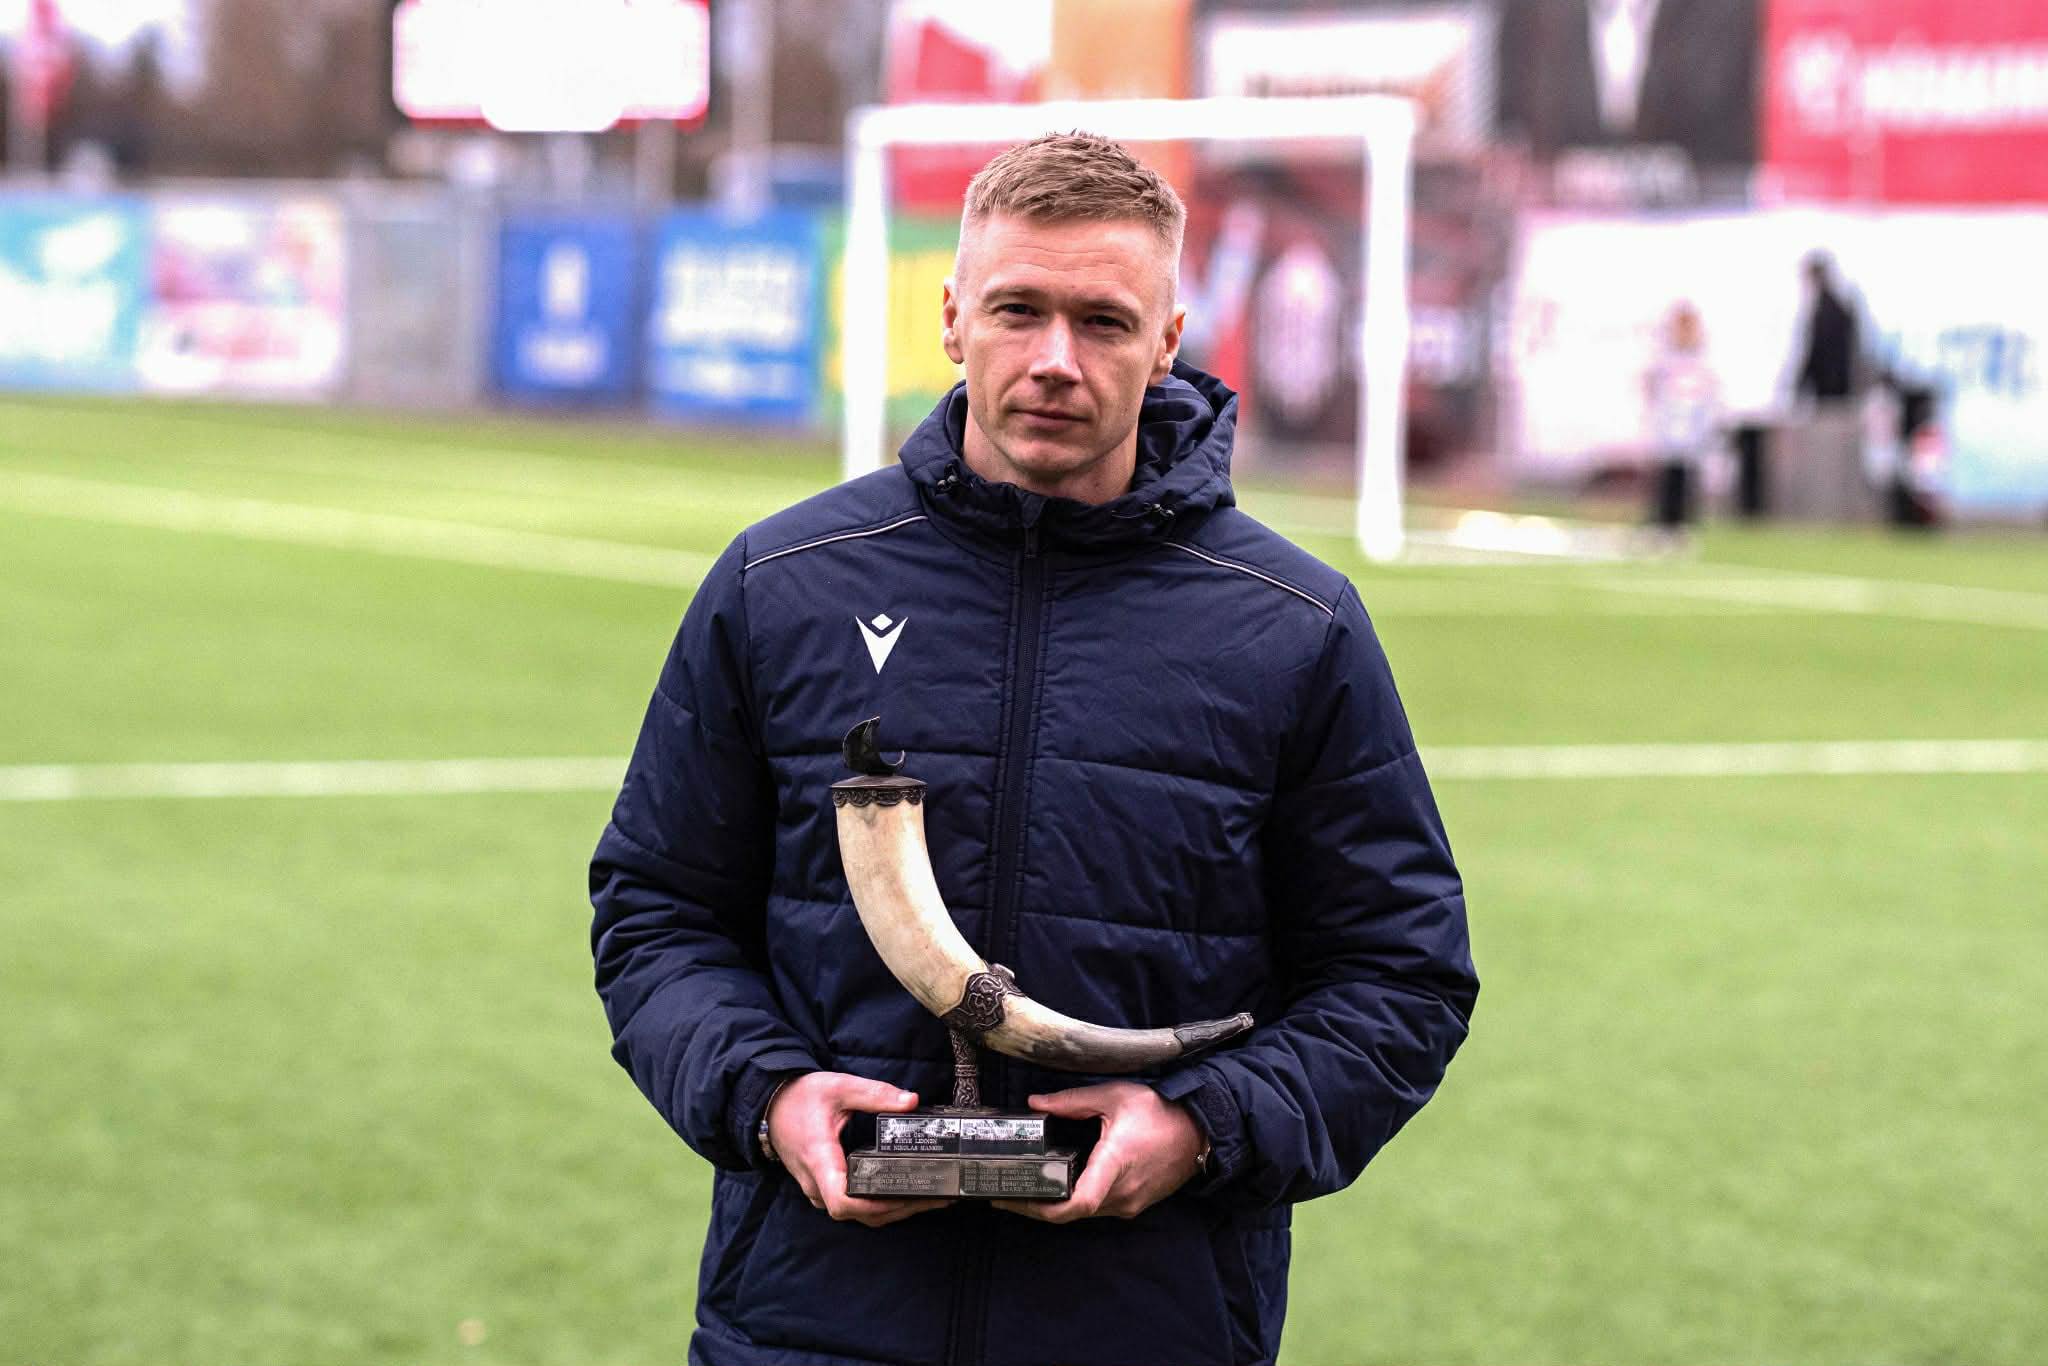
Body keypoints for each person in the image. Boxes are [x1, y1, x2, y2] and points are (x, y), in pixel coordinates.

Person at [590, 133, 1478, 1366]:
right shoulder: (782, 583)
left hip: (1148, 1327)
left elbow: (1400, 975)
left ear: (1167, 341)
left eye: (1103, 322)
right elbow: (656, 910)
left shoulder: (1291, 626)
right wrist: (768, 1093)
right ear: (952, 318)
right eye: (1018, 309)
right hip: (806, 1324)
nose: (1056, 359)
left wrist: (1204, 1127)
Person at [1642, 300, 1720, 534]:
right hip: (1670, 417)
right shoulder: (1665, 357)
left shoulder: (1702, 358)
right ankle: (1664, 517)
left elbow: (1709, 389)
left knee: (1688, 469)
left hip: (1692, 417)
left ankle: (1685, 517)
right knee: (1668, 469)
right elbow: (1652, 384)